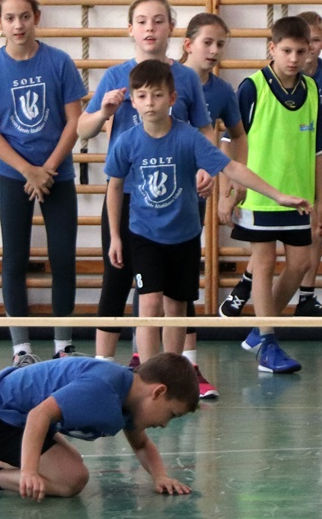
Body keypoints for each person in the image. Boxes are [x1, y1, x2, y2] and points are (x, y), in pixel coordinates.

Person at [106, 60, 310, 372]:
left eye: (158, 95)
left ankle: (171, 370)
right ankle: (147, 374)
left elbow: (233, 167)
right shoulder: (127, 142)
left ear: (172, 98)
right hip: (144, 235)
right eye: (143, 96)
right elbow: (115, 187)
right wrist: (115, 236)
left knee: (176, 308)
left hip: (184, 236)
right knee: (149, 304)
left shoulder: (189, 137)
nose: (150, 103)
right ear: (133, 101)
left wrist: (279, 196)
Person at [77, 0, 214, 369]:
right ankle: (102, 367)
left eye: (158, 20)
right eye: (141, 21)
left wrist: (205, 167)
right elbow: (83, 129)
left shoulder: (186, 78)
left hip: (175, 199)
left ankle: (182, 367)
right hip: (127, 197)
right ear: (130, 29)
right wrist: (103, 111)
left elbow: (204, 129)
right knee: (117, 277)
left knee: (178, 289)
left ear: (171, 28)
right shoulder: (114, 76)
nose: (150, 28)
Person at [0, 0, 87, 366]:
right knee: (14, 259)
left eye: (24, 16)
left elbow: (74, 121)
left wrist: (47, 169)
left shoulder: (59, 62)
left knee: (63, 258)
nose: (17, 25)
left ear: (36, 17)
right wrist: (27, 171)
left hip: (57, 175)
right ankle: (21, 349)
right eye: (9, 18)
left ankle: (63, 344)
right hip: (13, 175)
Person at [216, 16, 322, 374]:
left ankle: (260, 330)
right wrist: (227, 192)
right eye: (286, 50)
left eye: (301, 51)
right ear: (272, 49)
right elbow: (229, 143)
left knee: (300, 264)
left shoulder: (312, 90)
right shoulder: (252, 88)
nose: (294, 58)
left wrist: (321, 199)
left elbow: (317, 152)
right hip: (259, 195)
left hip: (299, 197)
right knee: (264, 264)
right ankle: (268, 343)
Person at [0, 353, 199, 500]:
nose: (165, 424)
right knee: (71, 480)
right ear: (158, 392)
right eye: (171, 414)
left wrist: (160, 476)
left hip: (16, 418)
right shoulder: (101, 389)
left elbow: (141, 445)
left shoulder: (130, 399)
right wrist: (29, 472)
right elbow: (39, 416)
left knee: (71, 462)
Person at [177, 12, 248, 398]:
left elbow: (237, 137)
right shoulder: (166, 79)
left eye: (221, 44)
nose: (214, 50)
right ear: (188, 44)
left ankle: (188, 364)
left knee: (185, 279)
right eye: (207, 42)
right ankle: (142, 357)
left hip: (193, 196)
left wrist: (231, 184)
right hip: (153, 192)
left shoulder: (222, 92)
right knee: (146, 282)